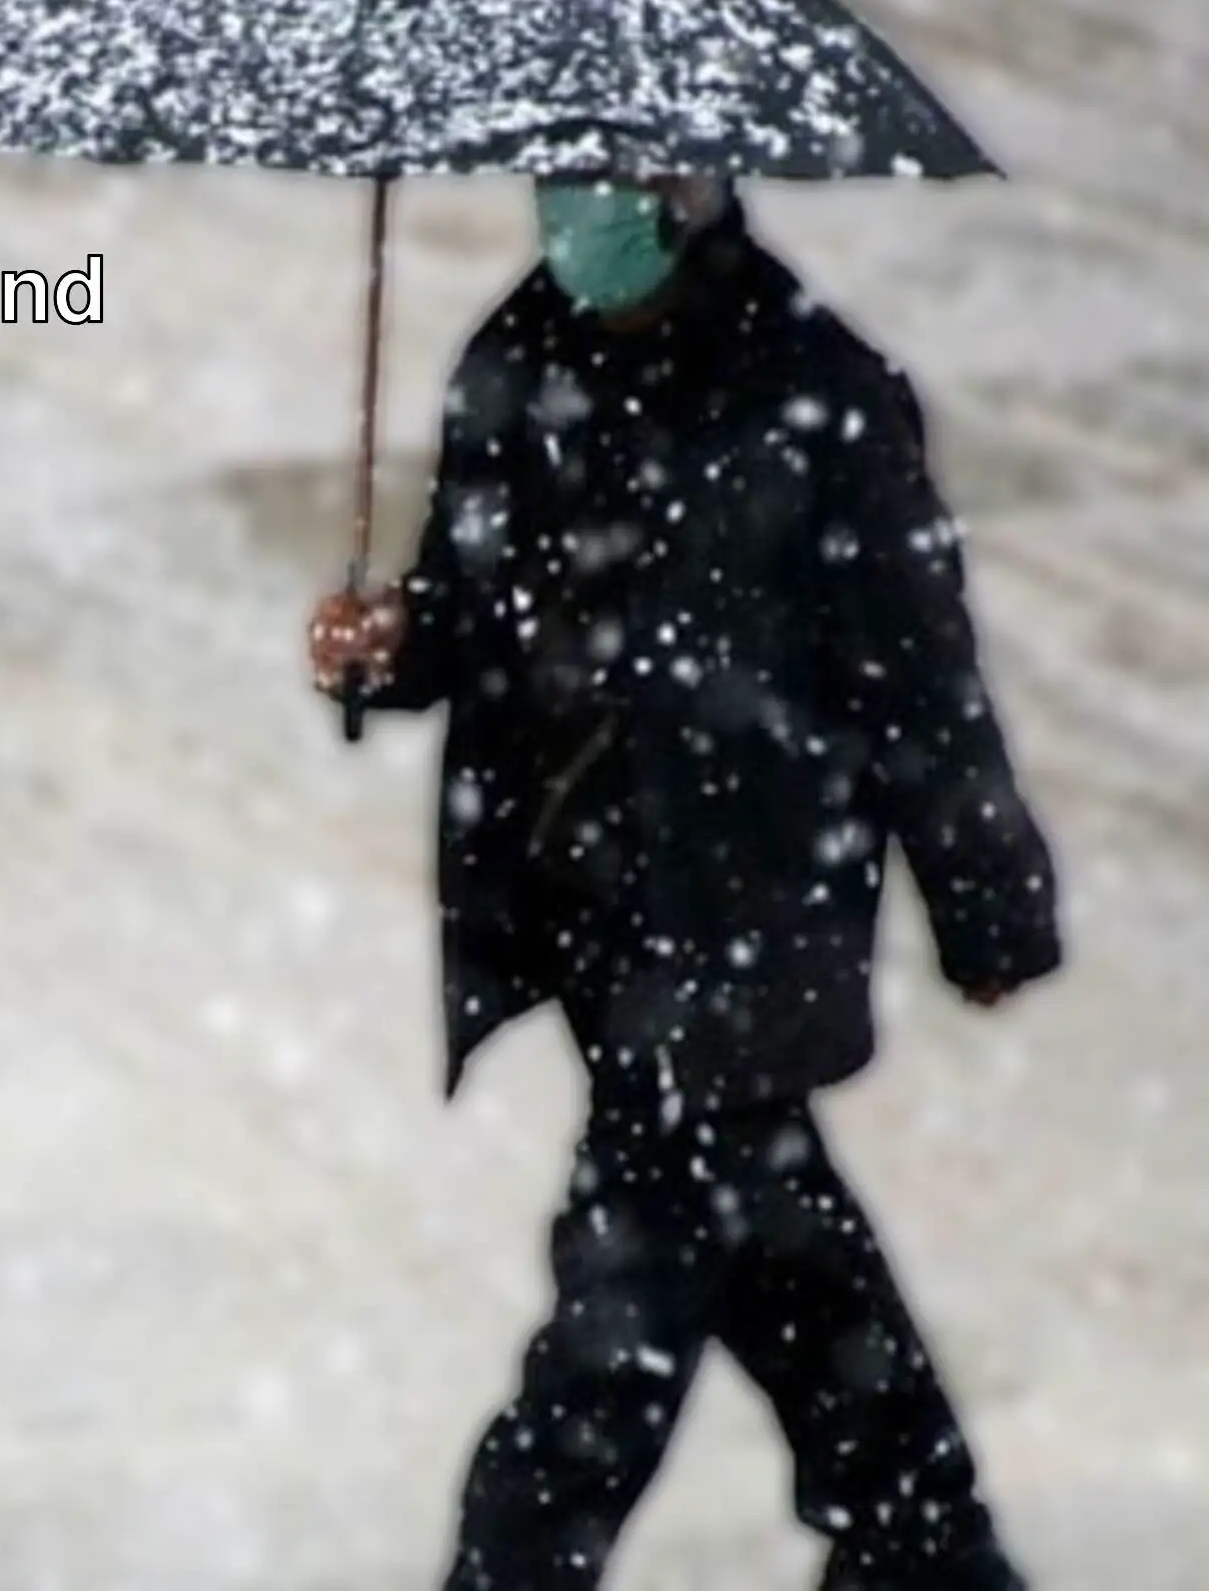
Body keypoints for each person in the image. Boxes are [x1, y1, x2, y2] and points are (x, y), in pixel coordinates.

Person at [307, 172, 1064, 1591]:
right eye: (560, 182)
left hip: (747, 914)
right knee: (784, 1259)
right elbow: (474, 615)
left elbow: (921, 685)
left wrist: (988, 901)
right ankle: (930, 1557)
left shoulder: (818, 394)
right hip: (586, 917)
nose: (579, 212)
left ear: (695, 190)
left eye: (614, 182)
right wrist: (390, 645)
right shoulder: (515, 366)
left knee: (620, 1328)